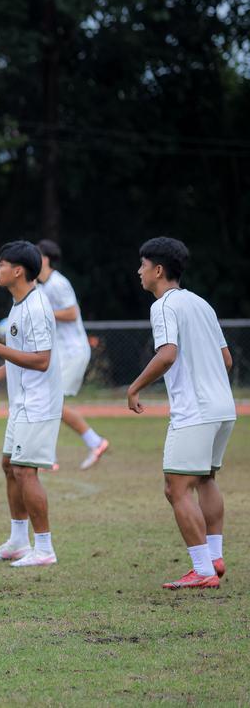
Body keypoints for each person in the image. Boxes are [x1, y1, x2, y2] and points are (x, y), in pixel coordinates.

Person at [127, 237, 234, 590]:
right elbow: (227, 360)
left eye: (143, 265)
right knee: (205, 479)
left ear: (158, 270)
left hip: (196, 410)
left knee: (175, 488)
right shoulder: (200, 303)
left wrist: (135, 386)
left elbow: (168, 353)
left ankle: (203, 570)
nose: (139, 272)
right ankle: (214, 556)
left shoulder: (164, 306)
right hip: (223, 408)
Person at [0, 242, 62, 568]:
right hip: (21, 403)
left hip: (38, 404)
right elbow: (20, 359)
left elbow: (42, 360)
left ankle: (44, 548)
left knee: (24, 470)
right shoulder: (19, 306)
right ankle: (19, 542)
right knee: (9, 466)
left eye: (1, 264)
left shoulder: (36, 307)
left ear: (18, 270)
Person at [37, 240, 109, 470]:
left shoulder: (58, 283)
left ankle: (91, 443)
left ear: (46, 259)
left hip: (73, 351)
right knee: (48, 401)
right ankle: (51, 454)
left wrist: (42, 313)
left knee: (52, 402)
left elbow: (71, 312)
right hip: (60, 353)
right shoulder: (40, 287)